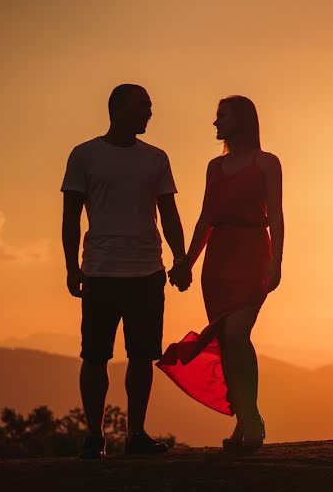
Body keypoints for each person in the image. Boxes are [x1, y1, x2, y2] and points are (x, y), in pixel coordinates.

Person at [61, 84, 189, 459]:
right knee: (95, 354)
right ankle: (93, 434)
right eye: (142, 106)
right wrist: (72, 267)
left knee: (142, 355)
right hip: (100, 270)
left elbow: (169, 212)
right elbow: (71, 216)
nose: (148, 113)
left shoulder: (157, 158)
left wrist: (180, 258)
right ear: (116, 108)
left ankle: (135, 434)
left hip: (147, 269)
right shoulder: (84, 155)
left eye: (149, 107)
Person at [159, 95, 283, 453]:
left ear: (241, 120)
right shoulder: (214, 166)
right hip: (218, 259)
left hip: (252, 252)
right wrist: (187, 263)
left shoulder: (267, 163)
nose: (215, 123)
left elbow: (275, 214)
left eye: (221, 116)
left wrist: (277, 262)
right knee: (226, 341)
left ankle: (252, 417)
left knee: (237, 332)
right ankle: (243, 422)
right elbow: (205, 219)